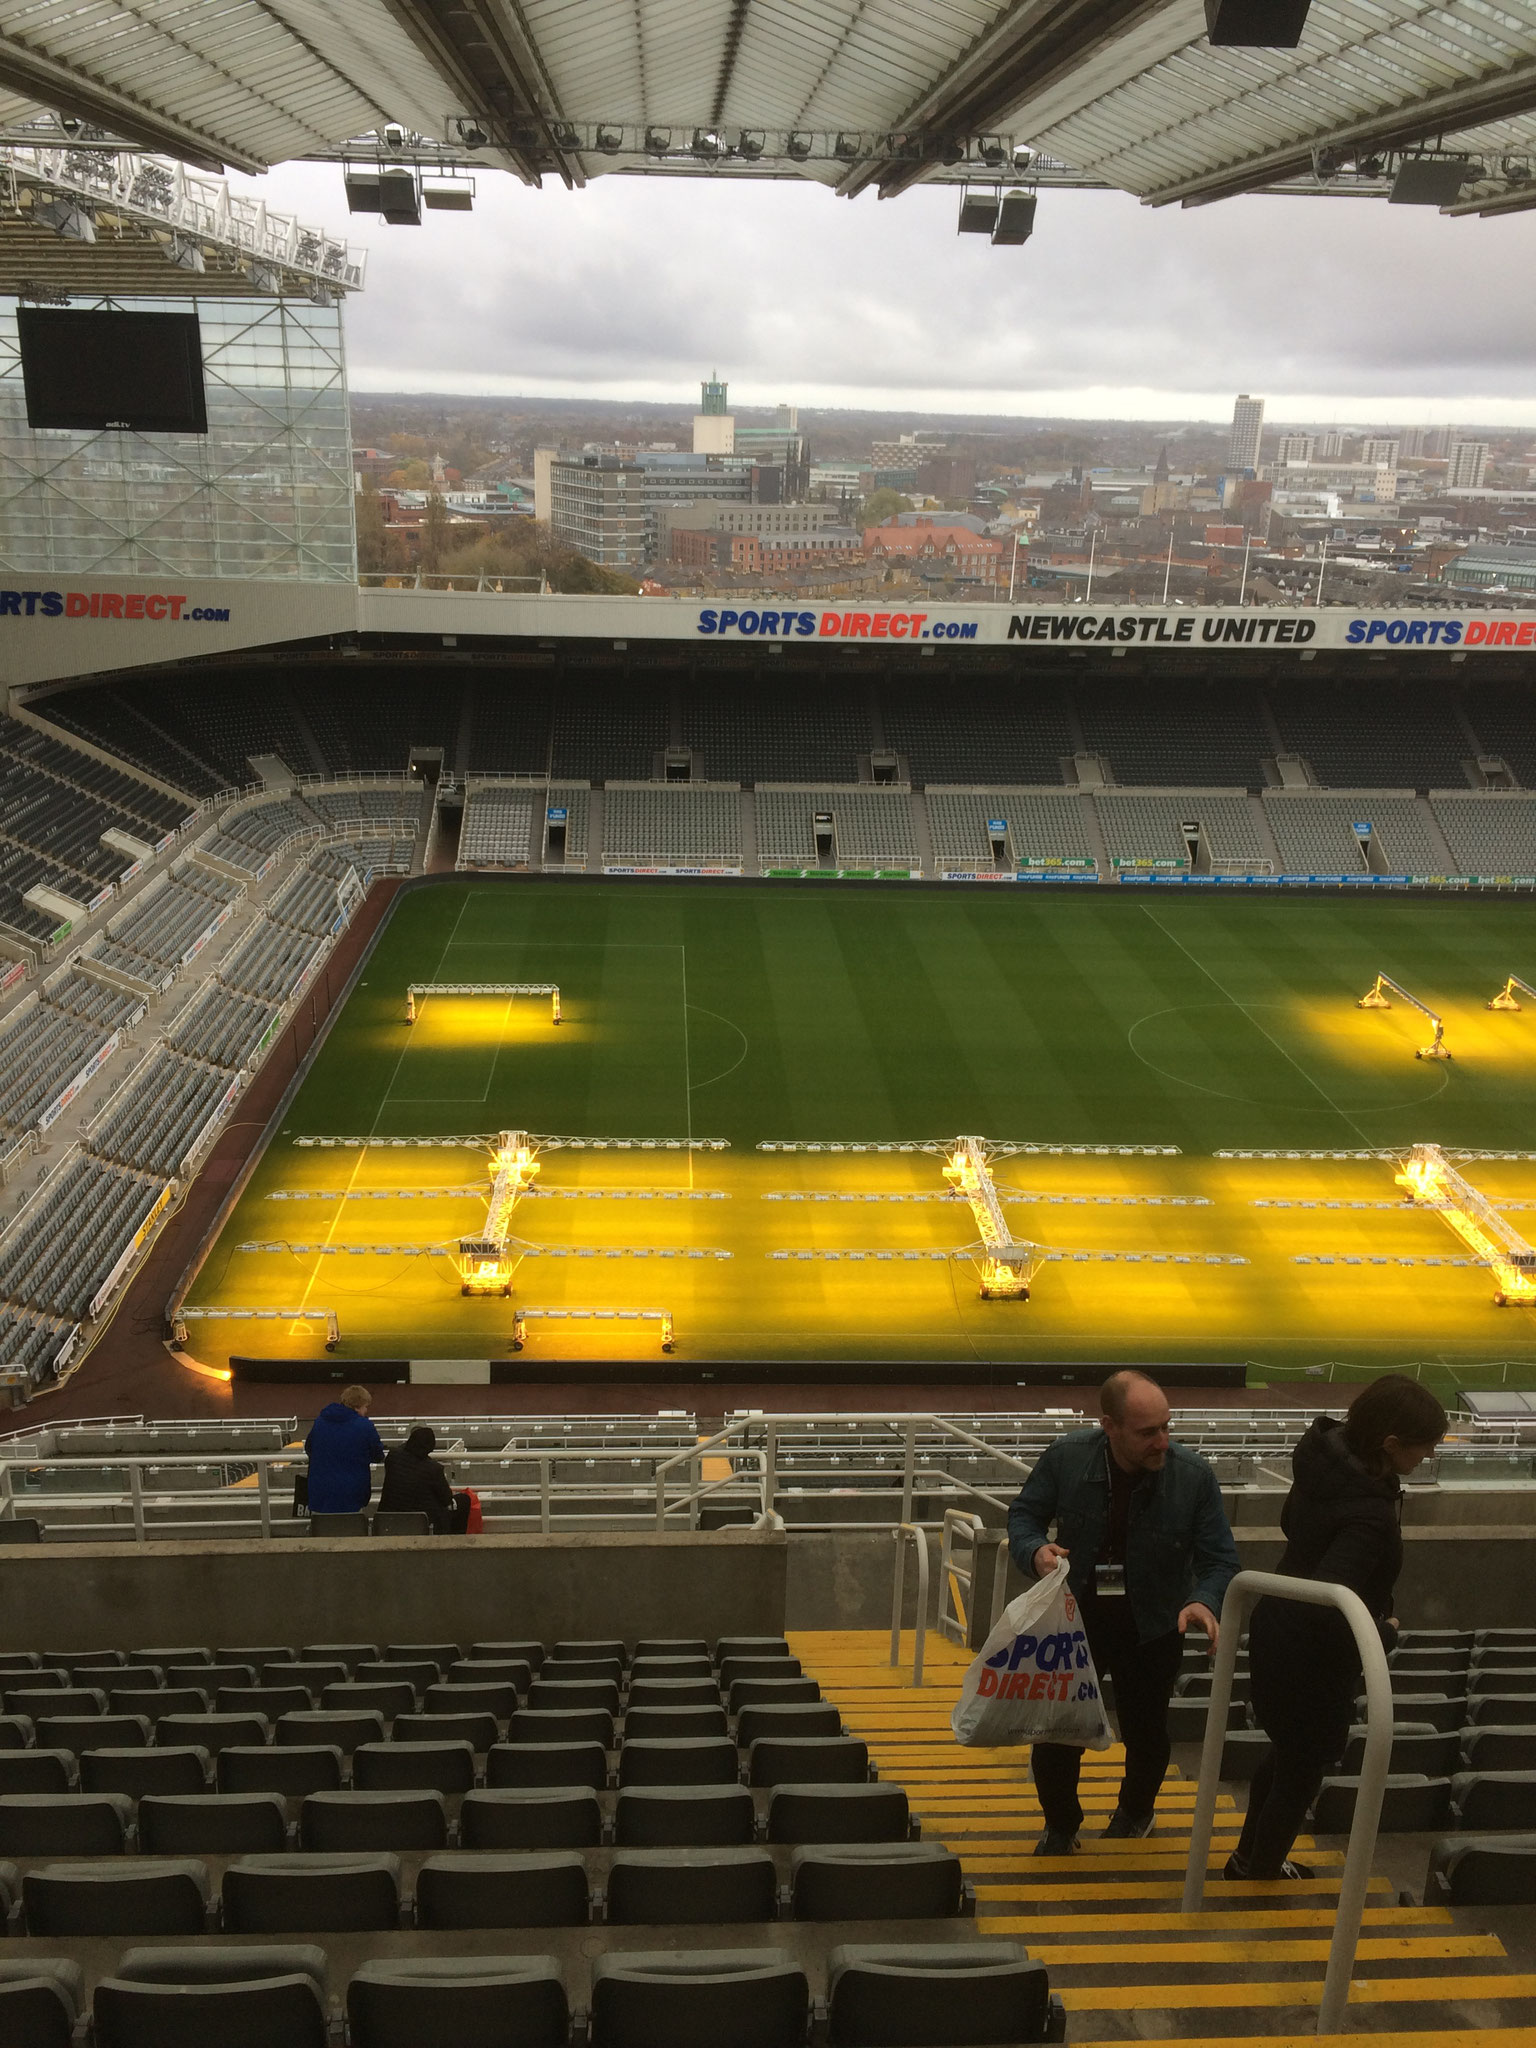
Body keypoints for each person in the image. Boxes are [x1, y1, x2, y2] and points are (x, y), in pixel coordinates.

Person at [1008, 1369, 1239, 1854]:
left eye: (1166, 1427)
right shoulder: (1067, 1457)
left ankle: (1136, 1813)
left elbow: (1219, 1560)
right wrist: (1035, 1552)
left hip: (1154, 1625)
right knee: (1056, 1733)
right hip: (1075, 1622)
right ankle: (1061, 1826)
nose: (1163, 1442)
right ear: (1109, 1426)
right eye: (1147, 1432)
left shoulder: (1193, 1477)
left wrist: (1203, 1599)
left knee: (1147, 1730)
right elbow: (1024, 1515)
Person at [1227, 1374, 1446, 1881]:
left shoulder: (1324, 1464)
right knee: (1301, 1772)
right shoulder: (1366, 1512)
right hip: (1313, 1658)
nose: (1426, 1458)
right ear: (1390, 1444)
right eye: (1424, 1448)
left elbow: (1294, 1530)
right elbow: (1331, 1599)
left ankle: (1250, 1860)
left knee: (1287, 1757)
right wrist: (1384, 1631)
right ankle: (1258, 1874)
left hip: (1277, 1631)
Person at [303, 1385, 384, 1514]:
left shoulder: (321, 1421)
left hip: (320, 1491)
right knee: (350, 1528)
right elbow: (378, 1454)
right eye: (365, 1407)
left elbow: (309, 1448)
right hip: (352, 1491)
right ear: (358, 1407)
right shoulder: (365, 1426)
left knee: (321, 1529)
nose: (366, 1411)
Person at [378, 1425, 460, 1533]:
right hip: (421, 1523)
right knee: (462, 1502)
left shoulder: (393, 1457)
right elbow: (446, 1499)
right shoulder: (434, 1469)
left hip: (386, 1520)